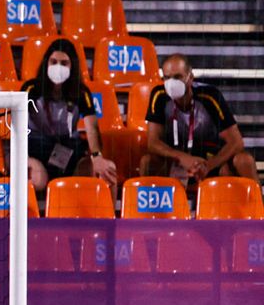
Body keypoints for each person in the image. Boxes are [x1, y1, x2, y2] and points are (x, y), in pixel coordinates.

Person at [22, 38, 117, 198]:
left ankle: (109, 222)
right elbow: (18, 125)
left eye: (64, 63)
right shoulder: (32, 88)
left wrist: (97, 157)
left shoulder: (81, 92)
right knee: (38, 179)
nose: (58, 67)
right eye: (54, 62)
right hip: (34, 148)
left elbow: (92, 127)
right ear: (47, 63)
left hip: (66, 150)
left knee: (108, 170)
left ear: (72, 66)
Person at [142, 54, 257, 184]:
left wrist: (208, 165)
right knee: (148, 162)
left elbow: (236, 142)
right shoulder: (159, 95)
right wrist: (181, 158)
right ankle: (151, 204)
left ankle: (256, 202)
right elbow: (152, 143)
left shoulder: (210, 96)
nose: (171, 83)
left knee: (243, 161)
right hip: (175, 157)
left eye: (177, 77)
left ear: (190, 78)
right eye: (167, 78)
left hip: (208, 157)